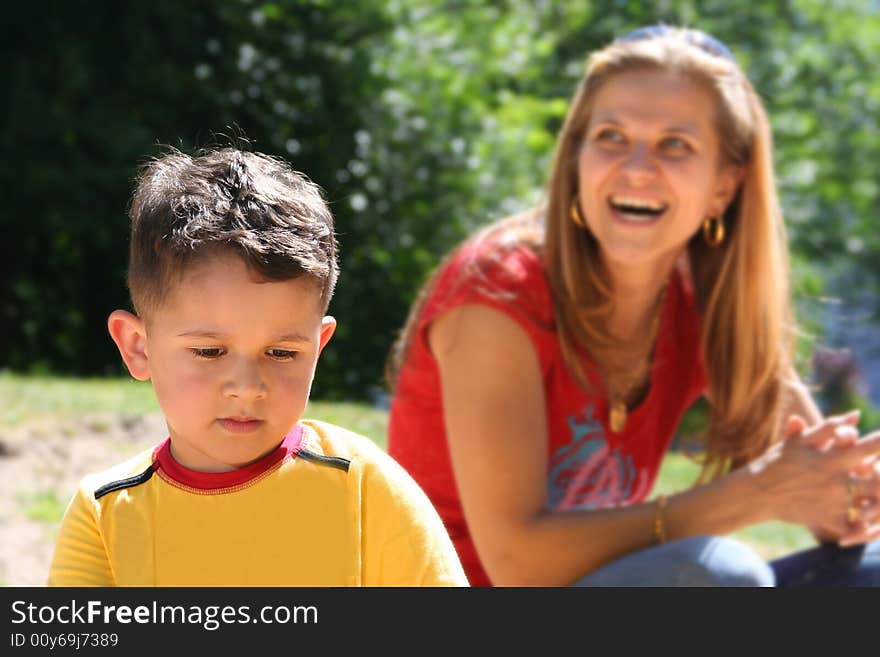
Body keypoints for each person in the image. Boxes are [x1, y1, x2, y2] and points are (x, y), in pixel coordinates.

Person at [386, 26, 880, 587]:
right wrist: (758, 492)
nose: (638, 167)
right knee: (720, 578)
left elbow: (834, 504)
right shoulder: (497, 291)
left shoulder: (700, 303)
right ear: (576, 159)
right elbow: (518, 564)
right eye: (611, 136)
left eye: (676, 144)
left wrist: (849, 492)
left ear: (724, 186)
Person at [48, 147, 467, 586]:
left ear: (318, 348)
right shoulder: (104, 514)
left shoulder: (365, 488)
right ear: (138, 347)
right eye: (209, 352)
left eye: (282, 353)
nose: (247, 388)